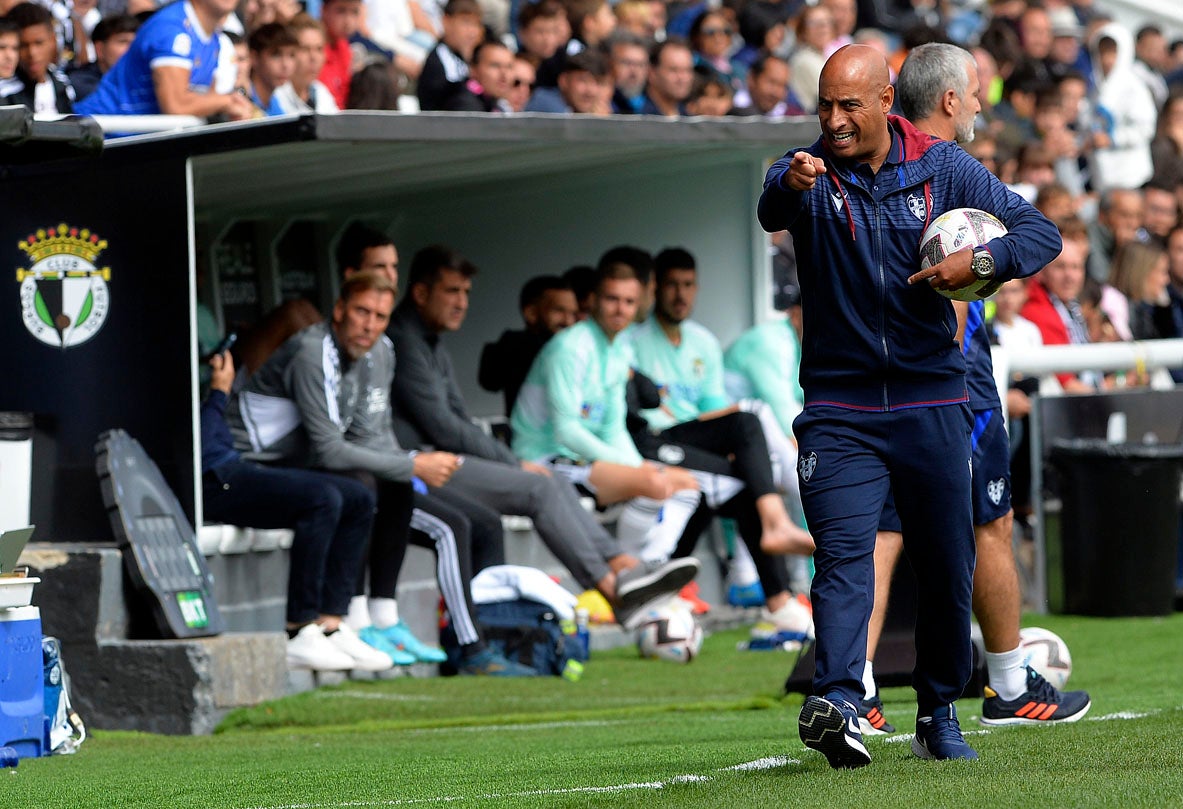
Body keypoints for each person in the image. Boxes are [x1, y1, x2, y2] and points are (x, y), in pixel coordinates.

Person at [757, 45, 1061, 767]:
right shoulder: (804, 173)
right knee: (842, 554)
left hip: (932, 398)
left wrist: (978, 263)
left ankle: (936, 709)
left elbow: (1037, 234)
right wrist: (791, 181)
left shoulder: (944, 167)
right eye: (824, 105)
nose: (832, 120)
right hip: (838, 406)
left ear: (886, 98)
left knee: (946, 562)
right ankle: (837, 697)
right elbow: (771, 199)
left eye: (848, 105)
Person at [859, 42, 1090, 740]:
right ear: (950, 101)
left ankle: (855, 688)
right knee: (985, 522)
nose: (983, 105)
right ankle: (1010, 682)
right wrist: (983, 263)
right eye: (977, 92)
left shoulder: (872, 164)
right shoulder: (950, 172)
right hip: (951, 384)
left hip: (876, 378)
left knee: (880, 529)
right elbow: (1032, 239)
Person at [228, 271, 533, 676]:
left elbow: (372, 434)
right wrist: (412, 464)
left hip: (299, 467)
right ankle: (318, 624)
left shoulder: (379, 351)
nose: (369, 325)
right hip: (248, 467)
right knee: (352, 492)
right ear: (339, 310)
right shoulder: (312, 351)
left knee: (384, 488)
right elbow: (329, 449)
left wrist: (407, 470)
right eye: (361, 312)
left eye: (380, 316)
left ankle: (358, 621)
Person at [385, 244, 699, 628]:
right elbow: (443, 427)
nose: (462, 303)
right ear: (420, 293)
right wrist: (514, 464)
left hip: (441, 461)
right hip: (413, 467)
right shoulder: (403, 339)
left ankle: (624, 567)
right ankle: (616, 590)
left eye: (465, 292)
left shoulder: (430, 340)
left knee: (550, 484)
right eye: (453, 291)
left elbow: (457, 421)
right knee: (541, 486)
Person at [201, 349, 389, 672]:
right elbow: (200, 445)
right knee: (322, 499)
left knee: (359, 497)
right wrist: (219, 392)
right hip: (211, 479)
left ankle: (329, 622)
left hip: (234, 466)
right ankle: (299, 628)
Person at [75, 0, 253, 120]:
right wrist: (228, 102)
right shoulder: (172, 28)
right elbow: (175, 105)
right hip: (100, 138)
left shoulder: (214, 41)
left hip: (136, 144)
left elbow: (204, 101)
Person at [478, 274, 577, 415]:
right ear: (531, 313)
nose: (568, 321)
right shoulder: (517, 346)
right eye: (558, 311)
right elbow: (489, 381)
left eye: (573, 313)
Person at [5, 3, 74, 114]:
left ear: (53, 40)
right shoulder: (5, 92)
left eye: (39, 43)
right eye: (23, 45)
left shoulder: (63, 84)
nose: (32, 53)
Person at [416, 0, 483, 111]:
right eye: (466, 22)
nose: (472, 32)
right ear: (446, 21)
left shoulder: (464, 59)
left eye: (476, 24)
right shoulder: (438, 61)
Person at [274, 13, 338, 113]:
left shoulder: (322, 93)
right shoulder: (276, 95)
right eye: (305, 49)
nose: (313, 57)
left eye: (319, 49)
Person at [66, 14, 139, 102]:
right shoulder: (78, 83)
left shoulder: (145, 78)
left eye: (135, 43)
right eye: (123, 42)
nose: (131, 49)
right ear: (99, 49)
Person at [440, 39, 513, 112]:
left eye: (509, 67)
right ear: (473, 69)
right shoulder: (466, 105)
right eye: (495, 65)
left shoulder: (492, 104)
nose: (504, 74)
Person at [317, 0, 363, 108]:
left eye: (354, 12)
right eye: (341, 11)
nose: (348, 21)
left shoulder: (344, 46)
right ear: (323, 10)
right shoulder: (312, 48)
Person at [246, 22, 297, 115]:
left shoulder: (276, 104)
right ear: (254, 57)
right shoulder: (240, 100)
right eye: (276, 55)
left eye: (291, 55)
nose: (285, 65)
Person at [640, 37, 693, 117]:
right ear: (652, 73)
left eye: (687, 70)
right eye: (674, 70)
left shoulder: (690, 119)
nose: (682, 78)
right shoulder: (635, 116)